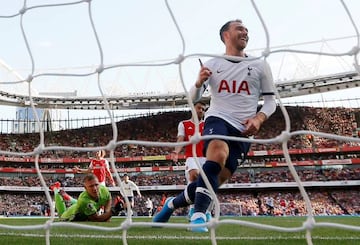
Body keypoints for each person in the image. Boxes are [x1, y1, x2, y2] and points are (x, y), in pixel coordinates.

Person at [153, 19, 276, 232]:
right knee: (217, 154)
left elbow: (271, 101)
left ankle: (171, 204)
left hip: (244, 130)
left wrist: (259, 119)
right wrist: (199, 82)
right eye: (239, 28)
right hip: (217, 118)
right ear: (225, 35)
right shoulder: (213, 64)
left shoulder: (260, 64)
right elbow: (193, 99)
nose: (245, 32)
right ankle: (199, 215)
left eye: (247, 29)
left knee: (212, 181)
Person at [171, 101, 208, 219]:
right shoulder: (184, 124)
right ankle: (194, 209)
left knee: (204, 184)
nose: (201, 110)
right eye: (199, 108)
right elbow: (181, 139)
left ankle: (198, 209)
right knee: (194, 175)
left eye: (203, 109)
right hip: (192, 157)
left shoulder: (207, 124)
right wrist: (176, 151)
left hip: (206, 158)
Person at [49, 174, 123, 222]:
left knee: (82, 202)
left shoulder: (103, 189)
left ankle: (68, 198)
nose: (95, 188)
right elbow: (96, 219)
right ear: (85, 188)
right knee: (62, 215)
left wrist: (107, 212)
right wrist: (114, 210)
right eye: (91, 186)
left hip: (80, 205)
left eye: (96, 185)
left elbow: (108, 197)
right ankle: (56, 189)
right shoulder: (84, 200)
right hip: (71, 215)